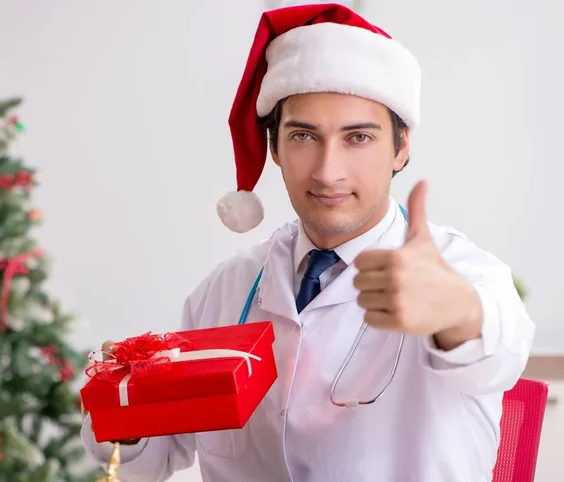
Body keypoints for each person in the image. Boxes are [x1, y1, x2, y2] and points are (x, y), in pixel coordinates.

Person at [81, 3, 535, 481]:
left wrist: (456, 314)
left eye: (358, 138)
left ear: (402, 148)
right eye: (303, 136)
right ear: (274, 147)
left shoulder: (462, 271)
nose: (327, 172)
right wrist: (125, 406)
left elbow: (499, 353)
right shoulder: (227, 289)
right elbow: (149, 457)